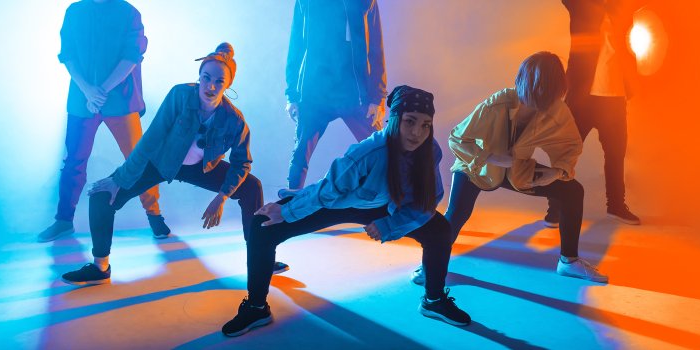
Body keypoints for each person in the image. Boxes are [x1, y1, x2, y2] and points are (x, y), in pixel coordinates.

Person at [221, 85, 472, 337]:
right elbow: (328, 191)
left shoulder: (430, 151)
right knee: (262, 224)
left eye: (426, 125)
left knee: (440, 229)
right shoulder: (368, 152)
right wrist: (286, 212)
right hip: (342, 202)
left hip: (384, 207)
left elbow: (426, 202)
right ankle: (256, 307)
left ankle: (433, 300)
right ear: (394, 119)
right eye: (410, 122)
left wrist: (389, 224)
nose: (417, 132)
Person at [61, 43, 288, 286]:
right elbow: (151, 139)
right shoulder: (180, 96)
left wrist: (222, 197)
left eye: (219, 81)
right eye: (206, 78)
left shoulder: (234, 120)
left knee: (252, 187)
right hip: (163, 162)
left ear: (228, 84)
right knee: (102, 195)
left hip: (202, 169)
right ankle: (100, 267)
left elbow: (242, 164)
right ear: (199, 77)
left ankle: (261, 257)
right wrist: (119, 179)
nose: (210, 86)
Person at [411, 52, 608, 286]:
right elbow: (457, 138)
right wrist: (492, 157)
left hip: (517, 171)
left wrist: (557, 171)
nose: (542, 101)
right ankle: (429, 266)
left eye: (550, 93)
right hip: (476, 167)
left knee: (572, 190)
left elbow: (570, 145)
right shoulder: (498, 103)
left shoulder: (556, 109)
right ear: (524, 83)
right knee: (456, 215)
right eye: (538, 91)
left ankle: (568, 261)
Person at [39, 0, 170, 242]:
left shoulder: (129, 13)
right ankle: (63, 220)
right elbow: (68, 54)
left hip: (120, 99)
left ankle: (154, 214)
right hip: (83, 99)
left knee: (138, 159)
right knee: (73, 161)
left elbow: (132, 56)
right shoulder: (74, 11)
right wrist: (88, 90)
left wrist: (101, 90)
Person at [545, 0, 642, 228]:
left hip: (615, 96)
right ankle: (555, 209)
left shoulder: (622, 8)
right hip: (582, 97)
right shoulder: (581, 6)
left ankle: (616, 206)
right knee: (565, 152)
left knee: (616, 155)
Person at [281, 0, 387, 195]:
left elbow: (375, 47)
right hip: (316, 93)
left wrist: (377, 97)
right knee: (300, 154)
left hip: (355, 95)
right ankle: (288, 207)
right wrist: (292, 95)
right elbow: (296, 44)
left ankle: (390, 203)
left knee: (382, 149)